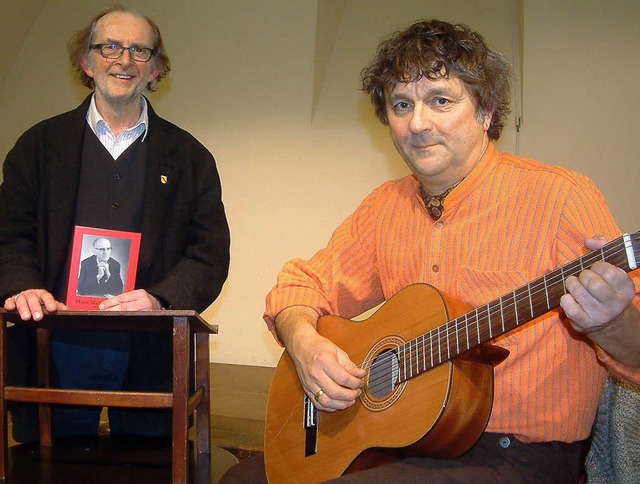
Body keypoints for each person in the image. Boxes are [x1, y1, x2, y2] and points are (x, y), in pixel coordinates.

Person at [222, 19, 640, 483]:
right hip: (404, 444)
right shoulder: (384, 207)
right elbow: (301, 285)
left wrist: (614, 320)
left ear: (485, 110)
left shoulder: (561, 197)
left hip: (518, 456)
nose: (417, 123)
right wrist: (305, 343)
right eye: (402, 105)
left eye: (440, 100)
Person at [0, 4, 230, 442]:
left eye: (139, 51)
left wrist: (161, 299)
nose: (124, 60)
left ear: (156, 70)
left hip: (151, 350)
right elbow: (8, 234)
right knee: (50, 467)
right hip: (51, 347)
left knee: (145, 466)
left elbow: (209, 253)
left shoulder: (190, 158)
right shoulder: (37, 147)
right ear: (86, 62)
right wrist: (20, 285)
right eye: (109, 47)